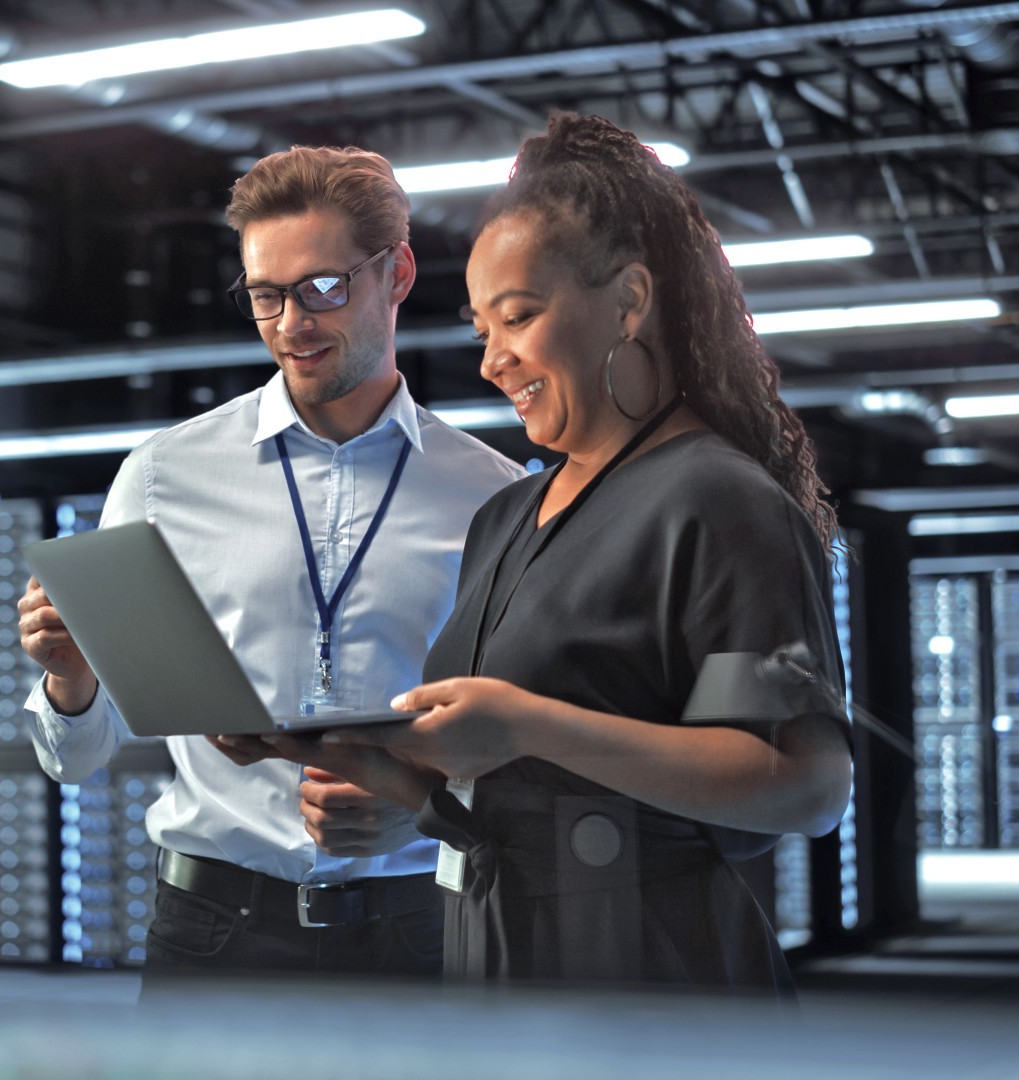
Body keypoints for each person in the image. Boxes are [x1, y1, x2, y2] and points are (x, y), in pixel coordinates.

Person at [232, 114, 854, 991]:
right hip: (502, 973)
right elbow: (524, 796)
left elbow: (805, 787)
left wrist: (527, 722)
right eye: (483, 326)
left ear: (630, 301)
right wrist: (402, 790)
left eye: (519, 316)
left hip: (656, 989)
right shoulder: (508, 514)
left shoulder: (717, 501)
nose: (493, 361)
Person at [17, 146, 526, 978]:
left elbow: (526, 742)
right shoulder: (161, 477)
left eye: (324, 287)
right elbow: (74, 756)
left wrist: (425, 806)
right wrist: (70, 682)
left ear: (396, 274)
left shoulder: (497, 496)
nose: (292, 323)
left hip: (422, 931)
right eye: (265, 295)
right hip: (212, 931)